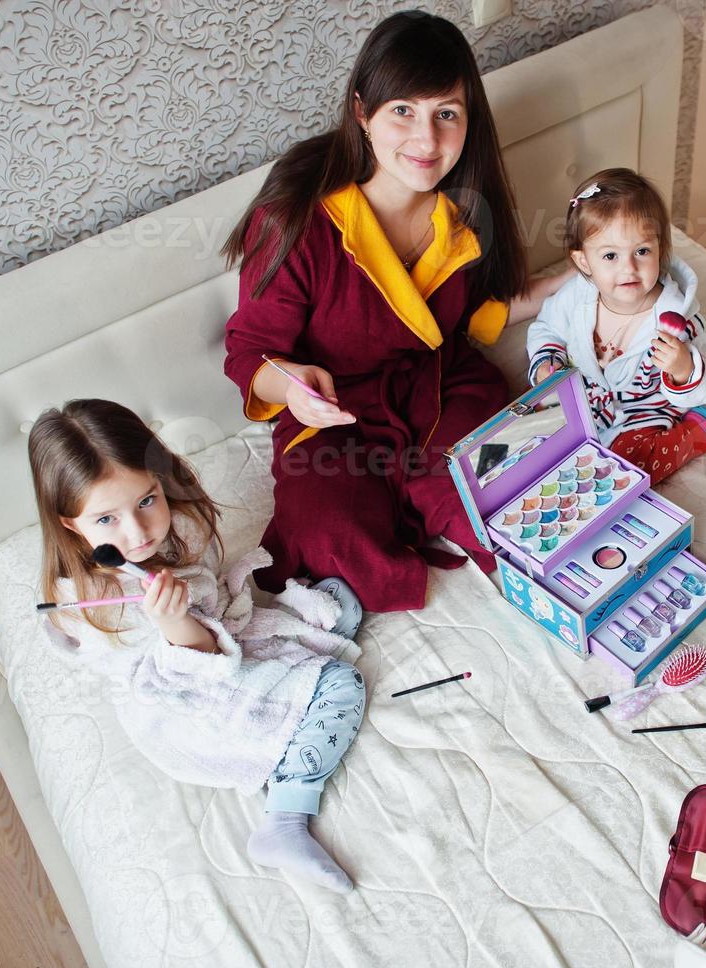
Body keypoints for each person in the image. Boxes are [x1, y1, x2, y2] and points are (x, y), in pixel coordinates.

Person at [223, 10, 569, 611]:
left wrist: (581, 273)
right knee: (323, 541)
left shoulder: (467, 210)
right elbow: (250, 350)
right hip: (333, 415)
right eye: (402, 110)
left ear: (469, 121)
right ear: (362, 111)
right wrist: (291, 385)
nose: (427, 140)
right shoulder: (297, 221)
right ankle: (397, 499)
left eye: (447, 114)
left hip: (441, 387)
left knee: (509, 497)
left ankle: (435, 495)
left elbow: (482, 311)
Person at [29, 398, 364, 892]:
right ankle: (285, 817)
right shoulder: (98, 606)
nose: (138, 532)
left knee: (343, 603)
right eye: (106, 520)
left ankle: (292, 706)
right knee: (341, 683)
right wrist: (175, 624)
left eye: (146, 500)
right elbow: (181, 675)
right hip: (182, 692)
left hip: (218, 632)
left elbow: (218, 588)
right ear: (69, 524)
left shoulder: (178, 525)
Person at [527, 168, 706, 483]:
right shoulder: (575, 298)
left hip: (643, 414)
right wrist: (547, 363)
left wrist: (683, 367)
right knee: (533, 448)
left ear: (660, 249)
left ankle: (701, 427)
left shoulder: (676, 320)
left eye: (642, 251)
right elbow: (546, 329)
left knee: (631, 472)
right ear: (583, 262)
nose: (629, 268)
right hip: (586, 402)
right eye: (610, 256)